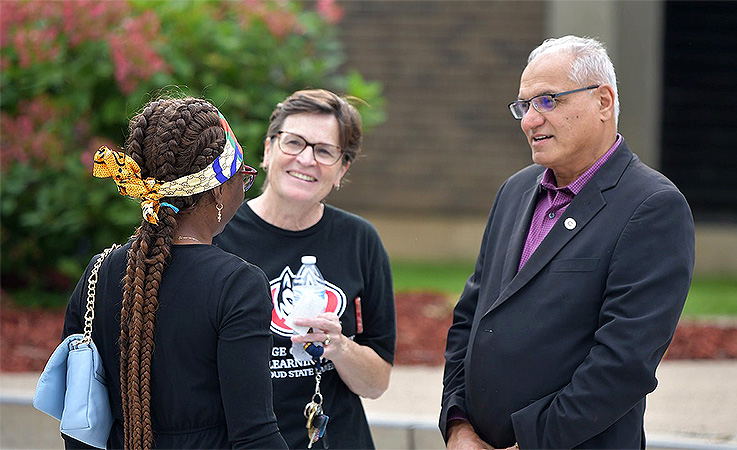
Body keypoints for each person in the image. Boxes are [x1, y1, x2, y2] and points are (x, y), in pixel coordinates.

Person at [439, 36, 695, 449]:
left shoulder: (652, 207)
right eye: (524, 106)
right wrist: (457, 426)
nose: (529, 120)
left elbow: (623, 363)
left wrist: (530, 443)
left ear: (603, 102)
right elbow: (470, 319)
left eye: (548, 100)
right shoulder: (515, 191)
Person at [62, 97, 288, 450]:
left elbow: (77, 418)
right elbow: (254, 434)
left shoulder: (98, 273)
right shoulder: (238, 286)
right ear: (217, 192)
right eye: (242, 179)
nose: (244, 188)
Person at [214, 89, 396, 449]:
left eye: (324, 150)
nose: (306, 159)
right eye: (294, 143)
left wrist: (340, 346)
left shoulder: (360, 240)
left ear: (342, 170)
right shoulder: (218, 233)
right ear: (268, 150)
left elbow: (376, 383)